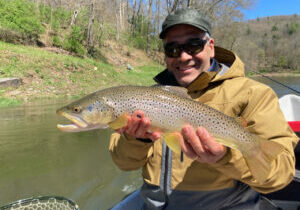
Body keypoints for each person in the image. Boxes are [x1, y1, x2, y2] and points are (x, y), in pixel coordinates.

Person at [109, 8, 299, 210]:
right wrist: (138, 139)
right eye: (172, 49)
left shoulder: (253, 94)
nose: (183, 56)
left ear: (211, 47)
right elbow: (124, 163)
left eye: (193, 45)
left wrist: (226, 158)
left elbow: (280, 176)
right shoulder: (145, 99)